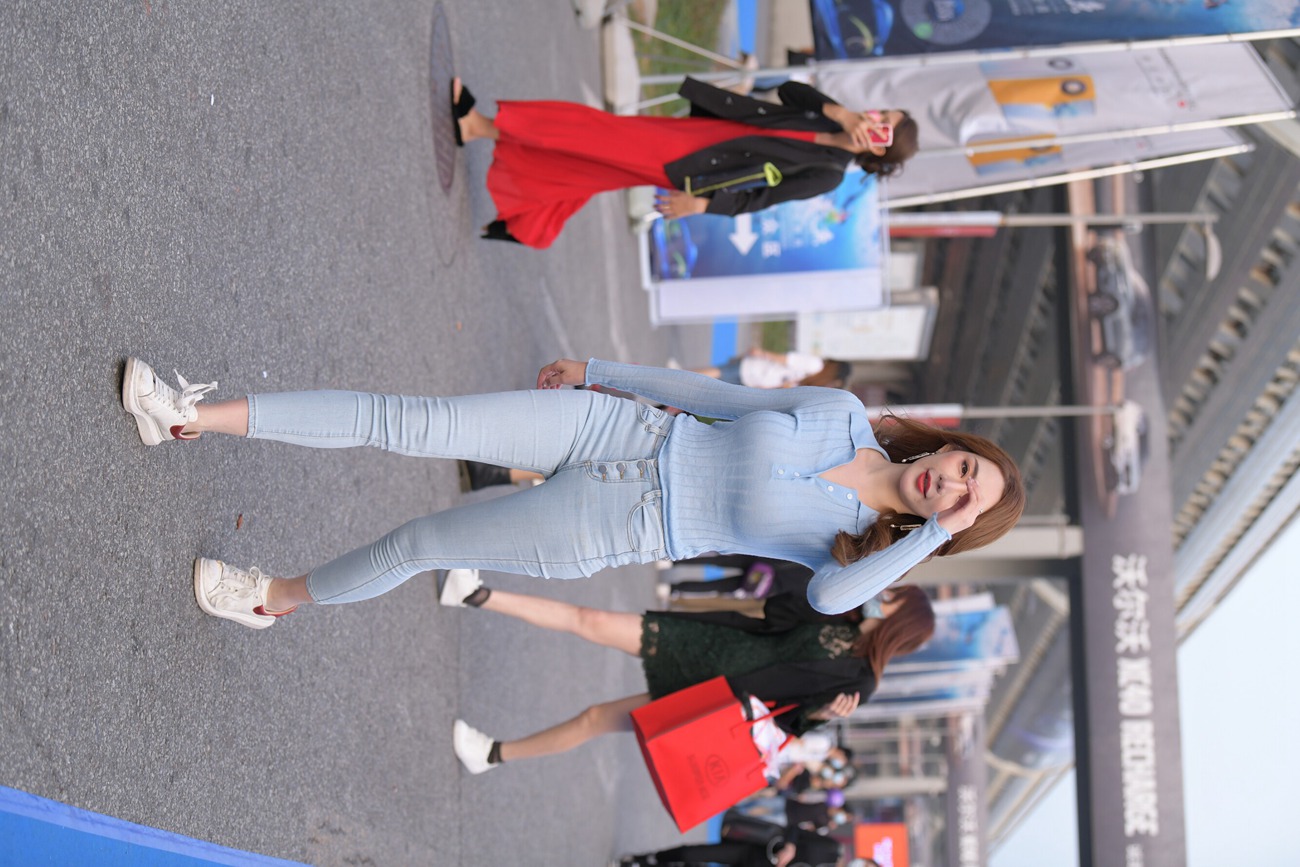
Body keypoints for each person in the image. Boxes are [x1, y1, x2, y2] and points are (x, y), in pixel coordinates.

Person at [119, 355, 1022, 629]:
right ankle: (192, 414)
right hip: (622, 430)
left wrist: (926, 538)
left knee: (422, 542)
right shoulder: (841, 412)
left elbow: (824, 599)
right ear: (952, 444)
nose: (949, 481)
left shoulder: (864, 553)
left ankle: (272, 597)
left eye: (963, 499)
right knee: (411, 418)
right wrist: (601, 370)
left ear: (955, 524)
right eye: (964, 465)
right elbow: (717, 396)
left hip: (620, 521)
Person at [438, 572, 935, 774]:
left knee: (596, 718)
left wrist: (819, 716)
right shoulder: (842, 614)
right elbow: (778, 611)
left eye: (894, 596)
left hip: (717, 697)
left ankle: (493, 754)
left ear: (902, 623)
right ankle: (476, 595)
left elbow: (787, 720)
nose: (884, 592)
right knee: (591, 620)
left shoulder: (862, 680)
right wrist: (838, 597)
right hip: (708, 642)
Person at [449, 75, 918, 248]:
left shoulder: (827, 174)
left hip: (693, 164)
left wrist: (701, 205)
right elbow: (789, 89)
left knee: (592, 131)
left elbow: (760, 199)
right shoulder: (830, 114)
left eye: (884, 126)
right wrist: (840, 112)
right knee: (596, 165)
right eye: (882, 113)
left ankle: (480, 125)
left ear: (879, 149)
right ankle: (529, 227)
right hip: (700, 133)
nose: (875, 118)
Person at [691, 350, 852, 391]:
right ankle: (685, 380)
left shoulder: (815, 365)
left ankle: (682, 376)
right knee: (715, 382)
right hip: (758, 384)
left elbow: (785, 359)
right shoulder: (811, 384)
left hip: (759, 368)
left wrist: (762, 353)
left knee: (718, 372)